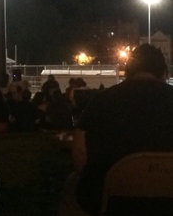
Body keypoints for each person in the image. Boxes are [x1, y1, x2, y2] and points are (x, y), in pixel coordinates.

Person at [59, 44, 173, 215]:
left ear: (128, 71)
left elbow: (79, 154)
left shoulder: (100, 101)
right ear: (164, 73)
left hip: (109, 202)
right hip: (167, 204)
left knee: (70, 183)